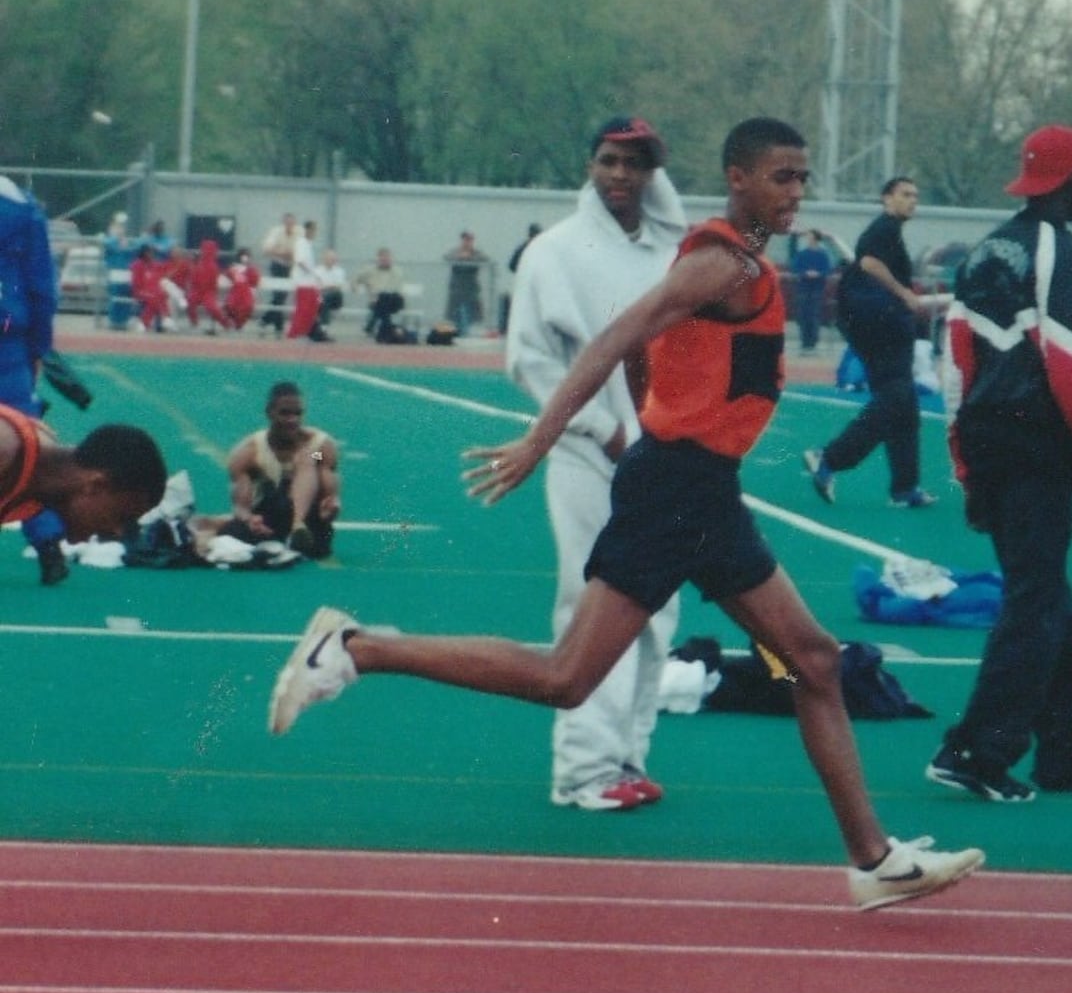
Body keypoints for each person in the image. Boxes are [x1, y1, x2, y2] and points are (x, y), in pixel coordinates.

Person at [269, 116, 984, 911]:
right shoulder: (720, 262)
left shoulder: (731, 260)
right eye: (783, 176)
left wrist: (658, 421)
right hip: (677, 494)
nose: (797, 192)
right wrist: (543, 440)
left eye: (803, 178)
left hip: (700, 489)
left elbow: (653, 347)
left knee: (815, 662)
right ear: (738, 178)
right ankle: (357, 649)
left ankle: (873, 860)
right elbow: (616, 337)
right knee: (566, 679)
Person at [922, 127, 1072, 802]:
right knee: (1034, 603)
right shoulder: (1066, 264)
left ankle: (1062, 751)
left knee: (1046, 593)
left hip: (989, 444)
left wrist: (966, 470)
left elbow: (957, 368)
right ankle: (976, 750)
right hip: (1037, 454)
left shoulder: (985, 253)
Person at [507, 115, 686, 811]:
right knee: (592, 609)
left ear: (652, 172)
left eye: (635, 163)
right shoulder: (554, 252)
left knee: (657, 611)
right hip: (591, 456)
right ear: (591, 164)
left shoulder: (674, 250)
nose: (621, 174)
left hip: (670, 461)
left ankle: (625, 756)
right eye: (610, 160)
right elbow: (528, 360)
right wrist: (607, 430)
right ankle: (582, 770)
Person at [804, 176, 943, 509]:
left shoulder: (891, 231)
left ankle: (904, 488)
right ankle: (829, 457)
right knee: (896, 397)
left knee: (905, 403)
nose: (913, 200)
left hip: (882, 322)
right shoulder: (883, 229)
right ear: (886, 198)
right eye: (905, 194)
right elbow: (868, 263)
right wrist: (903, 293)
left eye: (915, 195)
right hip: (878, 324)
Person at [0, 174, 73, 583]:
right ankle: (48, 544)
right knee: (28, 449)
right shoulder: (21, 204)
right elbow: (41, 285)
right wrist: (40, 347)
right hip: (7, 340)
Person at [1, 409, 167, 555]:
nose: (117, 532)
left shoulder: (36, 481)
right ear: (96, 485)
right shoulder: (7, 450)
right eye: (121, 517)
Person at [222, 381, 342, 559]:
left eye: (298, 413)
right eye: (285, 413)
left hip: (310, 520)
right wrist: (250, 519)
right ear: (269, 413)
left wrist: (331, 508)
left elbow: (330, 497)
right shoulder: (250, 452)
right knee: (233, 530)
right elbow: (241, 506)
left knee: (310, 457)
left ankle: (297, 526)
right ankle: (291, 531)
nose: (293, 420)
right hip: (269, 518)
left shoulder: (319, 447)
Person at [789, 230, 833, 353]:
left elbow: (827, 270)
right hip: (803, 287)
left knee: (814, 314)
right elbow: (795, 268)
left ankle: (813, 342)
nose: (808, 239)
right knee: (803, 314)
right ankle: (804, 342)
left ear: (816, 239)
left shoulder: (823, 255)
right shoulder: (802, 254)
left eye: (810, 237)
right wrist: (805, 273)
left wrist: (818, 274)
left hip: (817, 287)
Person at [355, 248, 409, 342]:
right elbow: (356, 280)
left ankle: (371, 326)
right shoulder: (370, 271)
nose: (385, 260)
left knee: (384, 298)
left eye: (387, 258)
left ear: (391, 259)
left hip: (394, 300)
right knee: (382, 301)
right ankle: (386, 331)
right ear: (378, 259)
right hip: (377, 301)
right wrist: (360, 287)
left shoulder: (397, 272)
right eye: (383, 258)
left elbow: (399, 290)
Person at [443, 231, 488, 335]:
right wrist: (459, 257)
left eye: (469, 240)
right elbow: (446, 257)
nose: (467, 242)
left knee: (473, 313)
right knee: (454, 314)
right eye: (465, 240)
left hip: (471, 289)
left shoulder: (477, 253)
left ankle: (470, 332)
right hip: (456, 289)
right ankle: (456, 331)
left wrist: (470, 258)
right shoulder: (455, 252)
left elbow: (485, 259)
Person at [259, 212, 297, 336]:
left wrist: (292, 254)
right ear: (283, 222)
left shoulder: (298, 233)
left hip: (290, 267)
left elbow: (299, 251)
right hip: (277, 266)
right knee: (278, 296)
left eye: (292, 223)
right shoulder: (276, 232)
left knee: (282, 297)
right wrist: (282, 253)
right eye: (287, 223)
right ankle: (278, 326)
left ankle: (265, 320)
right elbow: (266, 249)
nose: (289, 225)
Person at [286, 219, 322, 342]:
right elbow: (300, 261)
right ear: (307, 230)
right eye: (313, 230)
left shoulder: (309, 244)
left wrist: (314, 276)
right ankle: (295, 334)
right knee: (303, 309)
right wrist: (312, 272)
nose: (314, 232)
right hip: (302, 282)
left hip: (310, 282)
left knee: (313, 307)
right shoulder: (301, 243)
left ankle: (304, 332)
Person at [311, 246, 348, 342]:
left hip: (336, 299)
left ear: (336, 259)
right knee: (323, 301)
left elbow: (337, 287)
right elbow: (315, 287)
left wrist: (324, 287)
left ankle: (319, 331)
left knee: (324, 298)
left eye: (333, 258)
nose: (330, 260)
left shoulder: (340, 271)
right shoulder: (317, 270)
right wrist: (327, 287)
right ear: (324, 258)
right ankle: (323, 330)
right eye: (328, 258)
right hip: (321, 299)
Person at [221, 249, 260, 330]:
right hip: (235, 294)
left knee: (247, 306)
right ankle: (232, 322)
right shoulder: (233, 268)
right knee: (230, 305)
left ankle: (238, 324)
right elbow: (225, 277)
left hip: (246, 295)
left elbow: (254, 283)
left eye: (247, 256)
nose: (246, 258)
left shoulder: (251, 270)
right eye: (244, 256)